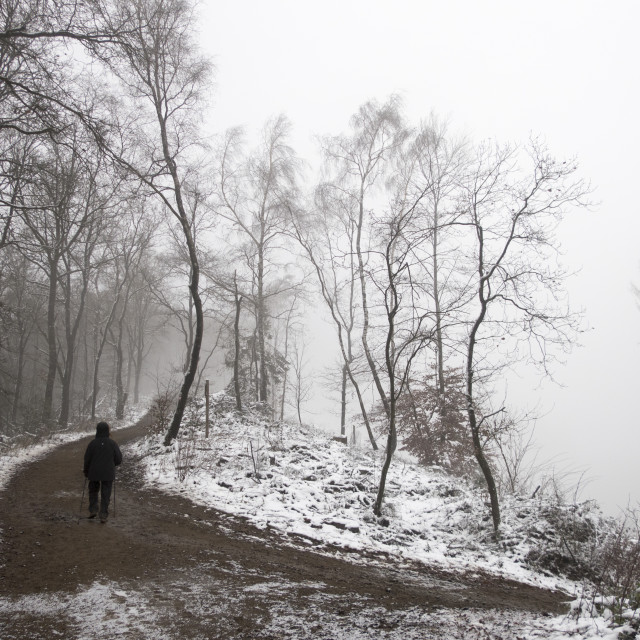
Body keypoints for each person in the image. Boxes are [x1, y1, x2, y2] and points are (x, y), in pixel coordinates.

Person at [83, 421, 122, 523]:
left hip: (93, 472)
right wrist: (112, 464)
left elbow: (87, 459)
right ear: (108, 431)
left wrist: (86, 471)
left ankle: (93, 510)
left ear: (97, 430)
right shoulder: (113, 444)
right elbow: (118, 459)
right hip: (108, 472)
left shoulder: (92, 444)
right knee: (106, 493)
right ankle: (103, 514)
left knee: (93, 491)